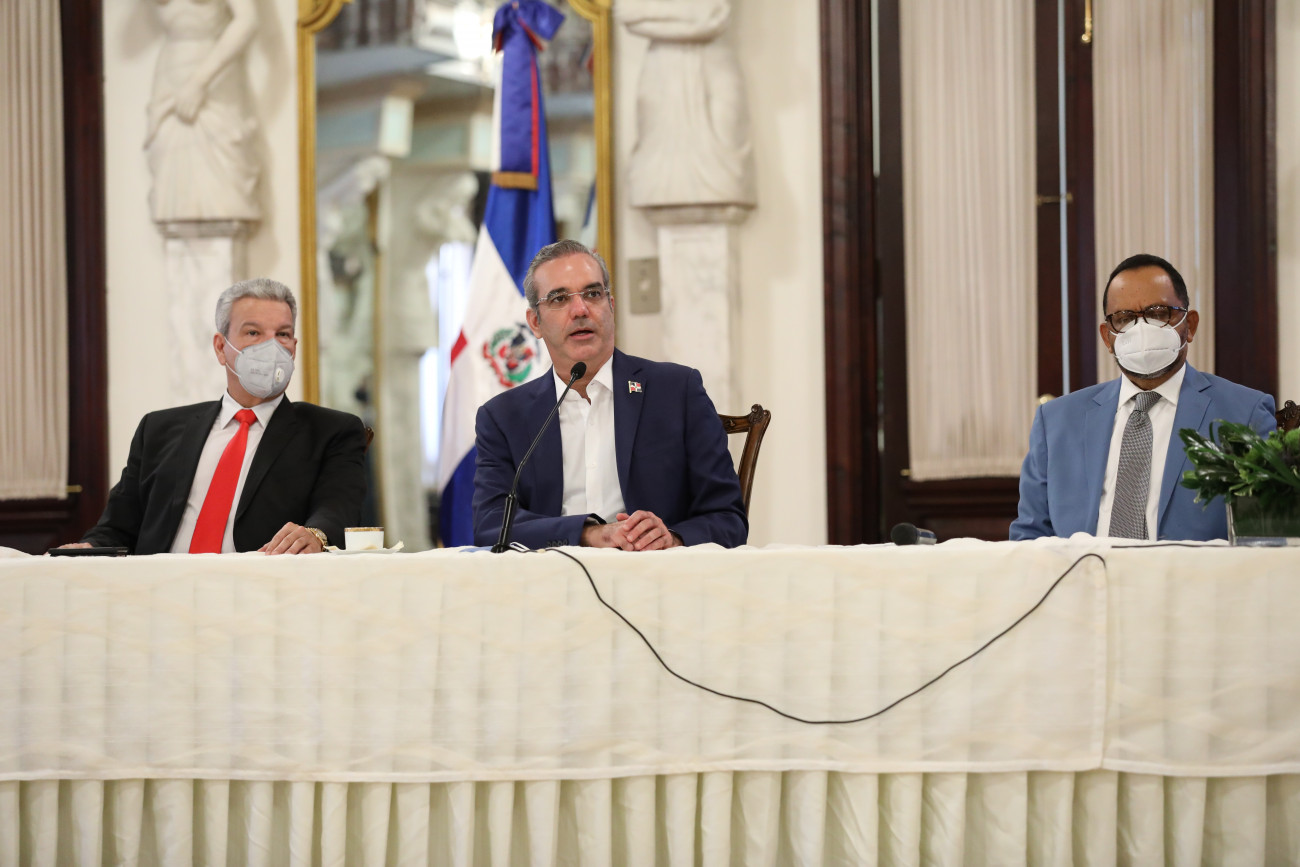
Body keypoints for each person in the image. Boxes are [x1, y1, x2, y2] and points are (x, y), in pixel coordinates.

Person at [473, 239, 747, 550]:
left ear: (611, 307)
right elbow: (491, 525)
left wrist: (672, 539)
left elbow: (728, 518)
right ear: (535, 322)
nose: (580, 310)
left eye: (592, 294)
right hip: (551, 574)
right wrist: (590, 534)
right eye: (560, 298)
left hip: (655, 573)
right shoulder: (503, 417)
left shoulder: (676, 391)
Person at [65, 278, 366, 554]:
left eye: (283, 334)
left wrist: (315, 534)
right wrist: (87, 548)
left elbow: (337, 510)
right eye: (253, 332)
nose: (272, 346)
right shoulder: (158, 430)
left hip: (261, 585)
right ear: (221, 348)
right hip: (161, 585)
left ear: (294, 348)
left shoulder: (330, 431)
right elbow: (117, 527)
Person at [1011, 253, 1276, 541]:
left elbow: (1261, 538)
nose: (1141, 329)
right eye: (1124, 319)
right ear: (1107, 337)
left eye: (1158, 313)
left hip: (1189, 571)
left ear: (1190, 325)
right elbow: (1029, 536)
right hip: (1085, 570)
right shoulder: (1056, 421)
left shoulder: (1243, 414)